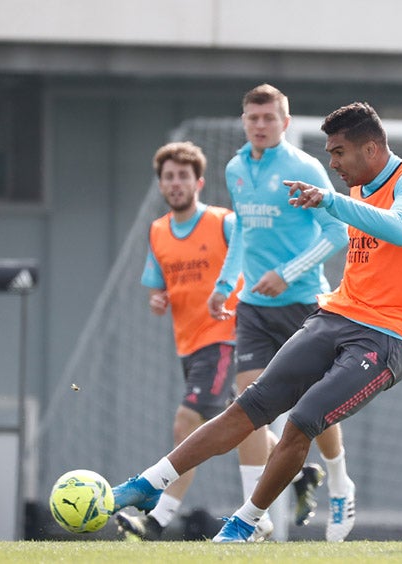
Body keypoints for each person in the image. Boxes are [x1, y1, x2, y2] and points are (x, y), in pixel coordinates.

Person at [110, 100, 402, 543]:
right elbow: (375, 267)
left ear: (370, 149)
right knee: (249, 405)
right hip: (336, 314)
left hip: (386, 338)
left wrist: (330, 204)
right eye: (329, 153)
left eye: (339, 152)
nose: (333, 163)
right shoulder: (346, 187)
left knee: (303, 418)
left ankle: (244, 523)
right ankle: (149, 483)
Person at [207, 83, 356, 541]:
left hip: (305, 302)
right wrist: (224, 285)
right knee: (249, 408)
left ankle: (336, 481)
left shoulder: (305, 167)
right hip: (253, 308)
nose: (260, 125)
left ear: (285, 123)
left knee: (314, 410)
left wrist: (289, 273)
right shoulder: (235, 168)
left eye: (269, 118)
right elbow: (244, 235)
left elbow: (339, 234)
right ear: (244, 120)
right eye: (252, 118)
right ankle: (257, 517)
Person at [116, 141, 244, 541]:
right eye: (168, 177)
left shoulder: (224, 222)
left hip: (225, 337)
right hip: (187, 346)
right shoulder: (157, 233)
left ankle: (158, 519)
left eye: (182, 176)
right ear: (161, 185)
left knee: (187, 422)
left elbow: (245, 262)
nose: (175, 183)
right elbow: (158, 290)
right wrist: (158, 299)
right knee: (244, 424)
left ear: (198, 182)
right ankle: (296, 473)